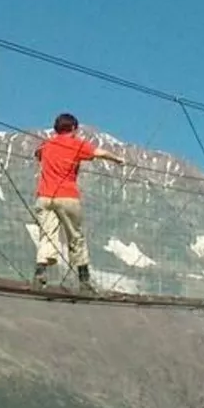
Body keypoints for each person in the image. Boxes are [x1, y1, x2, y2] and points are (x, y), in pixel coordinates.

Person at [31, 113, 124, 292]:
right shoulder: (76, 144)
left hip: (44, 196)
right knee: (76, 236)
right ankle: (84, 279)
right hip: (67, 196)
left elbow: (38, 154)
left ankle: (40, 273)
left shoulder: (46, 144)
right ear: (73, 128)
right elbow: (99, 153)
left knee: (47, 234)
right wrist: (118, 159)